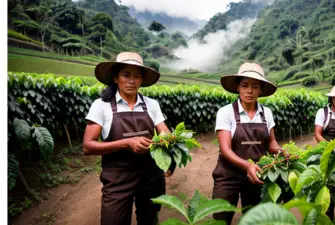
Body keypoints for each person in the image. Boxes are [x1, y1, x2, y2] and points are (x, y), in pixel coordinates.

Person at [83, 52, 172, 225]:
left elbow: (165, 133)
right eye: (126, 75)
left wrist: (160, 142)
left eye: (137, 76)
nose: (132, 80)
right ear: (116, 78)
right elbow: (87, 146)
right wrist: (126, 143)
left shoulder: (152, 105)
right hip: (117, 178)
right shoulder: (101, 106)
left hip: (150, 177)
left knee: (149, 220)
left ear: (142, 80)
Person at [211, 63, 286, 224]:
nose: (249, 91)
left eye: (255, 86)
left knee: (253, 218)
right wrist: (247, 166)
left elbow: (271, 142)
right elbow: (225, 149)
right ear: (238, 87)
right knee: (220, 217)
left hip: (257, 174)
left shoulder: (267, 113)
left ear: (261, 90)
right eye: (245, 85)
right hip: (228, 174)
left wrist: (281, 151)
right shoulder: (225, 112)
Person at [314, 86, 335, 220]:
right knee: (328, 193)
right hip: (327, 158)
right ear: (332, 98)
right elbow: (317, 134)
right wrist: (330, 148)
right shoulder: (323, 113)